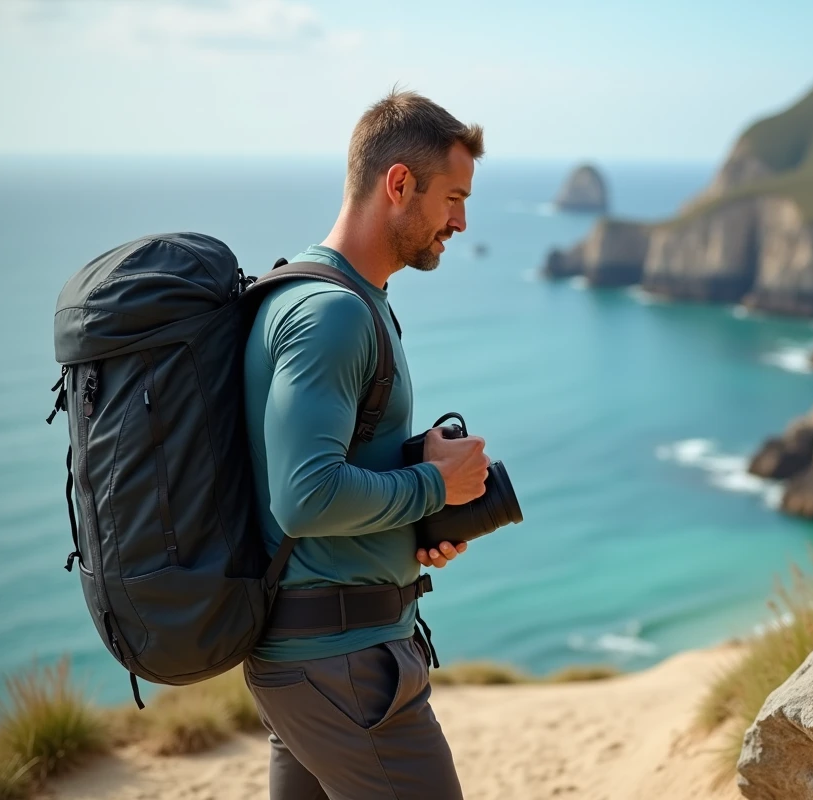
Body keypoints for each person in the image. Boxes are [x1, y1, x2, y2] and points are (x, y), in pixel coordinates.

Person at [242, 89, 486, 800]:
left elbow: (331, 469)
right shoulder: (332, 314)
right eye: (452, 197)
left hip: (325, 658)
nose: (462, 221)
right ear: (399, 184)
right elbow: (306, 496)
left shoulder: (348, 297)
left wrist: (416, 512)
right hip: (343, 668)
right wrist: (437, 489)